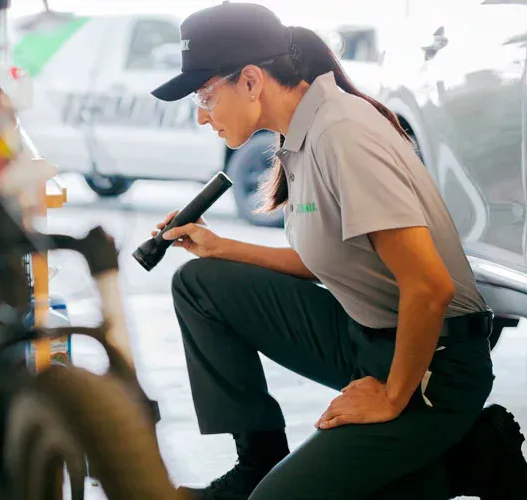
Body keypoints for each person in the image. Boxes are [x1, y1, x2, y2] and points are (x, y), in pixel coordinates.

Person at [148, 2, 527, 499]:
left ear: (250, 81)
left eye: (204, 95)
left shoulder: (341, 134)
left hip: (434, 361)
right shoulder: (302, 132)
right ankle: (255, 465)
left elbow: (430, 287)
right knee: (201, 284)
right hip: (365, 335)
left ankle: (474, 457)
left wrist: (393, 396)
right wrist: (220, 247)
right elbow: (332, 262)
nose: (202, 117)